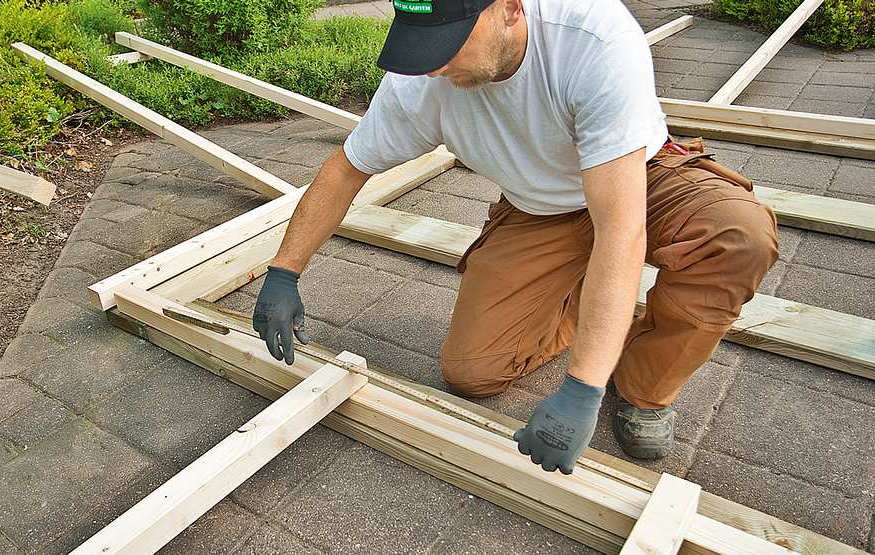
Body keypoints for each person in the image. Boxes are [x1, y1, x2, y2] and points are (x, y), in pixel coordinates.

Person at [253, 0, 779, 474]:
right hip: (540, 206)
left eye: (451, 41)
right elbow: (346, 170)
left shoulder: (593, 39)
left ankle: (645, 389)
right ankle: (590, 305)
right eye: (424, 43)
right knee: (472, 372)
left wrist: (583, 390)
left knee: (738, 236)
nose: (434, 63)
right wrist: (284, 272)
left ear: (508, 9)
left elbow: (622, 230)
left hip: (637, 180)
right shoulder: (420, 81)